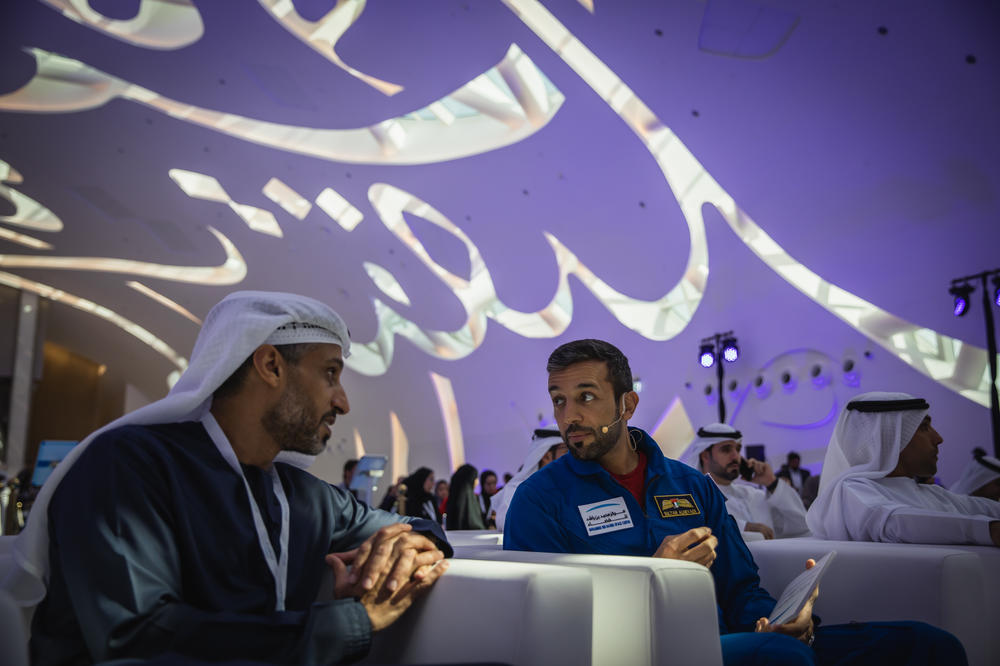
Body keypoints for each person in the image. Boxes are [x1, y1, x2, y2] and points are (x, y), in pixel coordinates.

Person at [6, 291, 450, 665]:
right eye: (329, 373)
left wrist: (414, 540)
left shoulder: (303, 496)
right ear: (270, 365)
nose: (343, 401)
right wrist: (348, 624)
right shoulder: (127, 467)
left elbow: (406, 526)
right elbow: (138, 638)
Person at [505, 339, 966, 666]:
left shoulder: (690, 485)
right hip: (640, 651)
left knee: (927, 644)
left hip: (738, 640)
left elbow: (741, 588)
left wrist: (779, 619)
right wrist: (651, 573)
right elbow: (548, 624)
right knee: (780, 658)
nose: (570, 416)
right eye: (559, 400)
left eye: (585, 397)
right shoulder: (540, 500)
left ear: (628, 404)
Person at [807, 391, 1000, 545]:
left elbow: (980, 507)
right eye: (924, 428)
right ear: (890, 439)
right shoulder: (850, 490)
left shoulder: (927, 493)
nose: (938, 438)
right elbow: (895, 523)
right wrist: (987, 530)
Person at [682, 424, 810, 540]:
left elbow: (801, 526)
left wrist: (772, 483)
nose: (736, 456)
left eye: (737, 449)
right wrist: (744, 527)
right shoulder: (694, 500)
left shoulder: (754, 495)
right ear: (705, 456)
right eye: (726, 450)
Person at [491, 429, 565, 532]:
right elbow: (508, 523)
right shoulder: (516, 489)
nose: (571, 458)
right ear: (546, 456)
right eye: (566, 452)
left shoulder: (570, 488)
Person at [446, 464, 486, 531]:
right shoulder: (468, 496)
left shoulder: (454, 494)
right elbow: (474, 523)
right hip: (470, 536)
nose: (477, 482)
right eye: (475, 478)